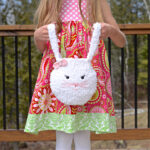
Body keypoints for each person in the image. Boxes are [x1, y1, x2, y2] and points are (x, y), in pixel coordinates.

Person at [24, 0, 126, 150]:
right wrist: (37, 36)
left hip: (87, 70)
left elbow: (121, 42)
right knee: (64, 130)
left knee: (83, 126)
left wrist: (111, 31)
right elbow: (43, 48)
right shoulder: (51, 2)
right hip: (60, 71)